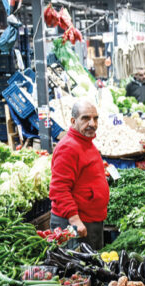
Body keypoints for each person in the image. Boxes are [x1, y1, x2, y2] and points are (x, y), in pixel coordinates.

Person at [50, 100, 109, 250]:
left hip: (90, 220)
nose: (92, 123)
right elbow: (59, 188)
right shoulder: (68, 147)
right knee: (76, 270)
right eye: (85, 118)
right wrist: (75, 220)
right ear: (73, 121)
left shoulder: (85, 142)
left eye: (95, 118)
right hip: (76, 225)